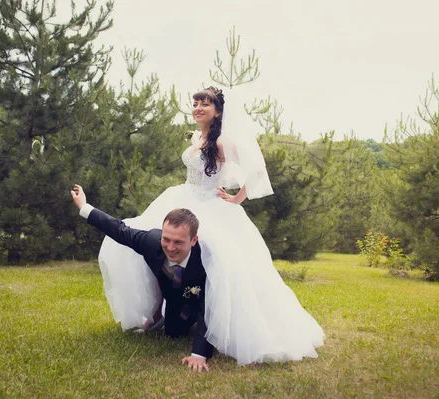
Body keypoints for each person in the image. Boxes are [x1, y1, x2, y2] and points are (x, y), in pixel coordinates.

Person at [94, 86, 324, 365]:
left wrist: (237, 199)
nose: (198, 107)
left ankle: (220, 326)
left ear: (217, 111)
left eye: (205, 104)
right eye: (195, 103)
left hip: (211, 208)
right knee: (156, 249)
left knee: (219, 268)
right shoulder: (195, 137)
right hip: (183, 199)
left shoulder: (223, 142)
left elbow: (257, 170)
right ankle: (157, 314)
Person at [71, 185, 213, 371]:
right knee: (173, 333)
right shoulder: (151, 242)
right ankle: (166, 316)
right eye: (166, 239)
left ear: (193, 241)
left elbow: (208, 307)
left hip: (205, 302)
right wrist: (84, 207)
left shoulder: (206, 261)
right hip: (174, 299)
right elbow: (119, 230)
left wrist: (199, 354)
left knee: (209, 324)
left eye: (178, 242)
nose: (170, 248)